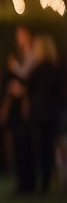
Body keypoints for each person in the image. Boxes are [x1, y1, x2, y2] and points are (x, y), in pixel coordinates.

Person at [26, 34, 62, 193]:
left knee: (41, 148)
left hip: (40, 114)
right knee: (50, 146)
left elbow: (28, 87)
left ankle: (44, 181)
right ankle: (49, 179)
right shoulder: (55, 68)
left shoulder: (38, 69)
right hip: (52, 113)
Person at [4, 24, 38, 194]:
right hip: (18, 106)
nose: (19, 38)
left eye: (21, 35)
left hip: (25, 107)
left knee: (24, 143)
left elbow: (27, 78)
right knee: (19, 143)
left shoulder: (31, 55)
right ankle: (23, 182)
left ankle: (28, 182)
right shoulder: (23, 55)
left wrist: (15, 68)